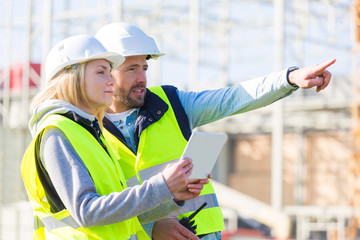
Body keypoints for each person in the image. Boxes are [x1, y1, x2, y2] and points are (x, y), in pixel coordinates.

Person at [95, 22, 336, 240]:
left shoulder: (172, 103)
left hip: (203, 235)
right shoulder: (86, 129)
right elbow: (94, 209)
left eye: (145, 68)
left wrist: (289, 79)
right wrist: (150, 228)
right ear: (106, 72)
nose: (142, 78)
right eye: (131, 69)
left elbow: (233, 98)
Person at [20, 34, 209, 239]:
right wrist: (162, 185)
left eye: (110, 72)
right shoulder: (56, 133)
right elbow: (87, 211)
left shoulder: (88, 131)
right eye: (101, 72)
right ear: (71, 77)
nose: (111, 81)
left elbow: (117, 218)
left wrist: (171, 194)